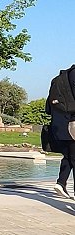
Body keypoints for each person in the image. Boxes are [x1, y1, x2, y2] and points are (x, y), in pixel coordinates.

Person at [46, 64, 75, 199]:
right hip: (72, 122)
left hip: (59, 125)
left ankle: (61, 183)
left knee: (70, 156)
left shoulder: (59, 79)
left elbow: (48, 108)